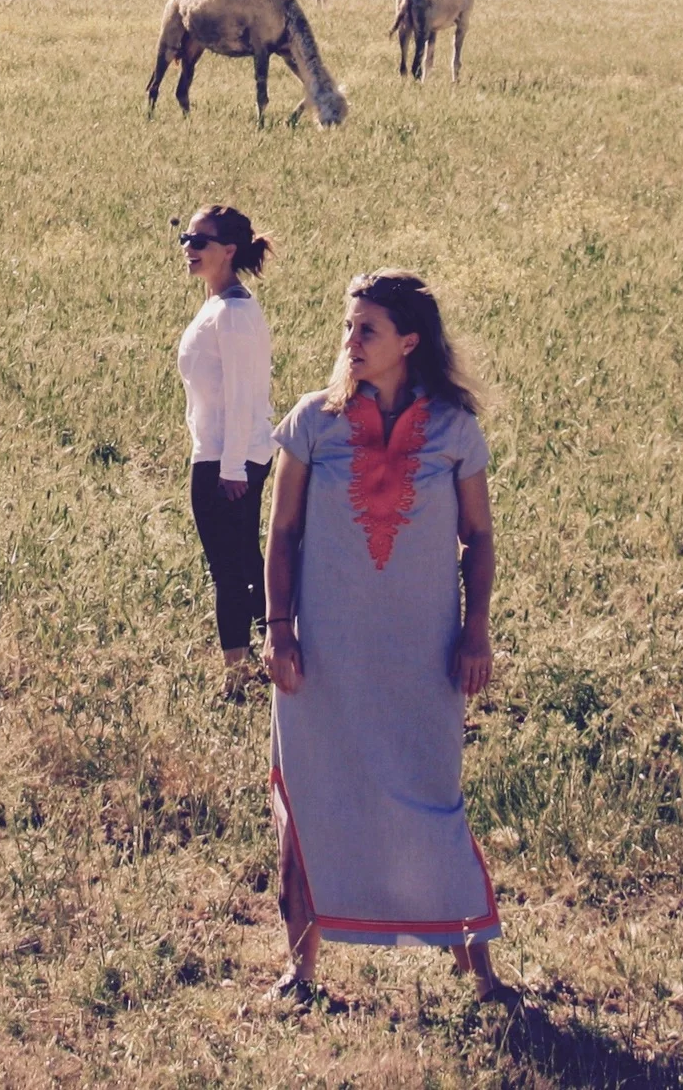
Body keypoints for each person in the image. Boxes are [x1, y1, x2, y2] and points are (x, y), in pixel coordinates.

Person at [262, 271, 510, 1002]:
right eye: (348, 327)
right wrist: (279, 630)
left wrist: (476, 631)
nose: (351, 341)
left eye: (367, 329)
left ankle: (477, 968)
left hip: (421, 660)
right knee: (310, 799)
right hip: (323, 659)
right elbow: (281, 532)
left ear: (409, 341)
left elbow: (480, 538)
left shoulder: (455, 431)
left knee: (431, 796)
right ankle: (300, 970)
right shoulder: (312, 422)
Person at [174, 206, 277, 697]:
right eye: (186, 239)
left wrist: (232, 468)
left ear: (229, 251)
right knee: (244, 560)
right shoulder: (224, 305)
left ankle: (237, 676)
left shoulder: (232, 314)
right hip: (228, 452)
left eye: (201, 242)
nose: (189, 248)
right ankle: (273, 648)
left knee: (228, 568)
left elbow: (242, 396)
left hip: (225, 458)